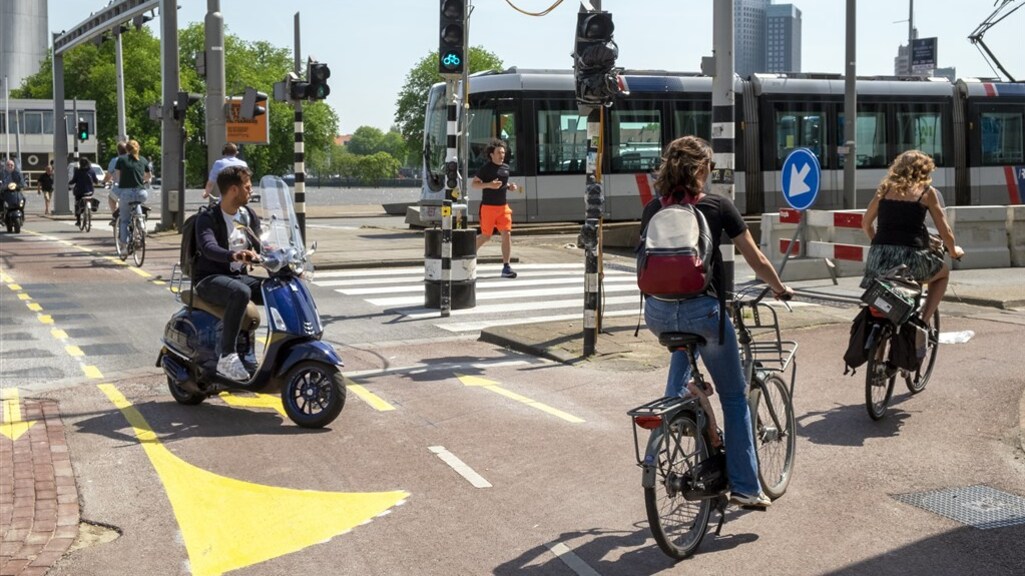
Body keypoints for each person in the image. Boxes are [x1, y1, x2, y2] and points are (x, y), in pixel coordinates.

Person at [640, 135, 793, 510]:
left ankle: (676, 413)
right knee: (734, 397)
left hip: (658, 314)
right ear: (702, 170)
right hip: (704, 313)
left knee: (682, 352)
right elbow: (755, 257)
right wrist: (779, 287)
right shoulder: (717, 205)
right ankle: (745, 486)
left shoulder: (652, 209)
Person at [860, 150, 964, 324]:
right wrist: (953, 251)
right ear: (925, 171)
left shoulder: (884, 190)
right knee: (943, 273)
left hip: (878, 259)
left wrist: (879, 244)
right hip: (910, 261)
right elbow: (945, 231)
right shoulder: (926, 193)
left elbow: (865, 224)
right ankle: (923, 321)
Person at [192, 165, 263, 381]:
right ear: (234, 190)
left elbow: (261, 244)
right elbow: (208, 247)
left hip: (235, 277)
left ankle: (277, 347)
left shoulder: (248, 216)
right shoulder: (208, 218)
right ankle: (227, 356)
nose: (251, 191)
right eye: (247, 187)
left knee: (277, 288)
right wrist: (233, 255)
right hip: (209, 279)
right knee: (240, 292)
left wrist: (279, 256)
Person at [471, 138, 519, 279]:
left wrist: (510, 187)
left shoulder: (506, 168)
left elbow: (503, 183)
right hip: (488, 208)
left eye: (503, 152)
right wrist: (488, 185)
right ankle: (467, 254)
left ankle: (506, 267)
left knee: (507, 233)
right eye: (499, 152)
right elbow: (474, 184)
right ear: (492, 154)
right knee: (486, 236)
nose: (501, 155)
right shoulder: (485, 169)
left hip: (503, 207)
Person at [114, 140, 151, 248]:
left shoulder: (121, 159)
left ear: (127, 149)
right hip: (141, 193)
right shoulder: (143, 160)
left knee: (124, 220)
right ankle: (141, 224)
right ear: (138, 148)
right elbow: (149, 176)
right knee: (137, 203)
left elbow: (118, 176)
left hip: (126, 193)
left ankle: (124, 247)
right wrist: (141, 179)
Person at [70, 158, 99, 227]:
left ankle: (78, 221)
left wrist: (69, 183)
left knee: (77, 203)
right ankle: (89, 216)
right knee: (89, 199)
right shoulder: (91, 170)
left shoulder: (77, 171)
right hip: (90, 191)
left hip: (79, 192)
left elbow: (74, 180)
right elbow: (96, 180)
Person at [104, 141, 127, 224]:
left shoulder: (115, 161)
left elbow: (108, 176)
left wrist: (104, 181)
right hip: (133, 187)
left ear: (118, 151)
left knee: (111, 198)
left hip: (119, 187)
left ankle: (115, 215)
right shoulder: (132, 159)